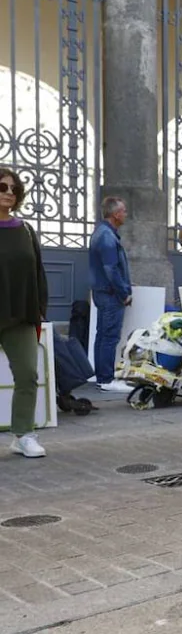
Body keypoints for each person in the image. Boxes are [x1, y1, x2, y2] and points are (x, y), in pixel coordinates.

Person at [0, 168, 48, 458]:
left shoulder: (25, 230)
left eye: (13, 189)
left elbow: (37, 272)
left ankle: (22, 434)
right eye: (2, 186)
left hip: (20, 315)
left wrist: (40, 308)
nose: (8, 192)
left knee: (28, 374)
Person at [88, 196, 133, 393]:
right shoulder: (107, 236)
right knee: (109, 336)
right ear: (115, 214)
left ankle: (102, 376)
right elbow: (111, 269)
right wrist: (124, 293)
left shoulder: (102, 233)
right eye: (123, 211)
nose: (125, 214)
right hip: (110, 294)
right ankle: (105, 379)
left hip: (102, 292)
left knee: (103, 335)